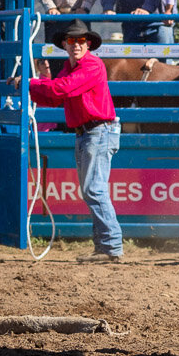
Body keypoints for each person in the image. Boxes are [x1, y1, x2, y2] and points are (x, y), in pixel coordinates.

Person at [24, 19, 122, 263]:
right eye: (72, 41)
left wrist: (31, 84)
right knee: (93, 189)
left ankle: (111, 247)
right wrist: (29, 87)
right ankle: (105, 247)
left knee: (93, 189)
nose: (76, 45)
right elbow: (58, 95)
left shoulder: (91, 66)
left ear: (87, 43)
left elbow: (62, 90)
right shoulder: (72, 68)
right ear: (65, 45)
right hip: (88, 132)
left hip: (97, 131)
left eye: (80, 41)